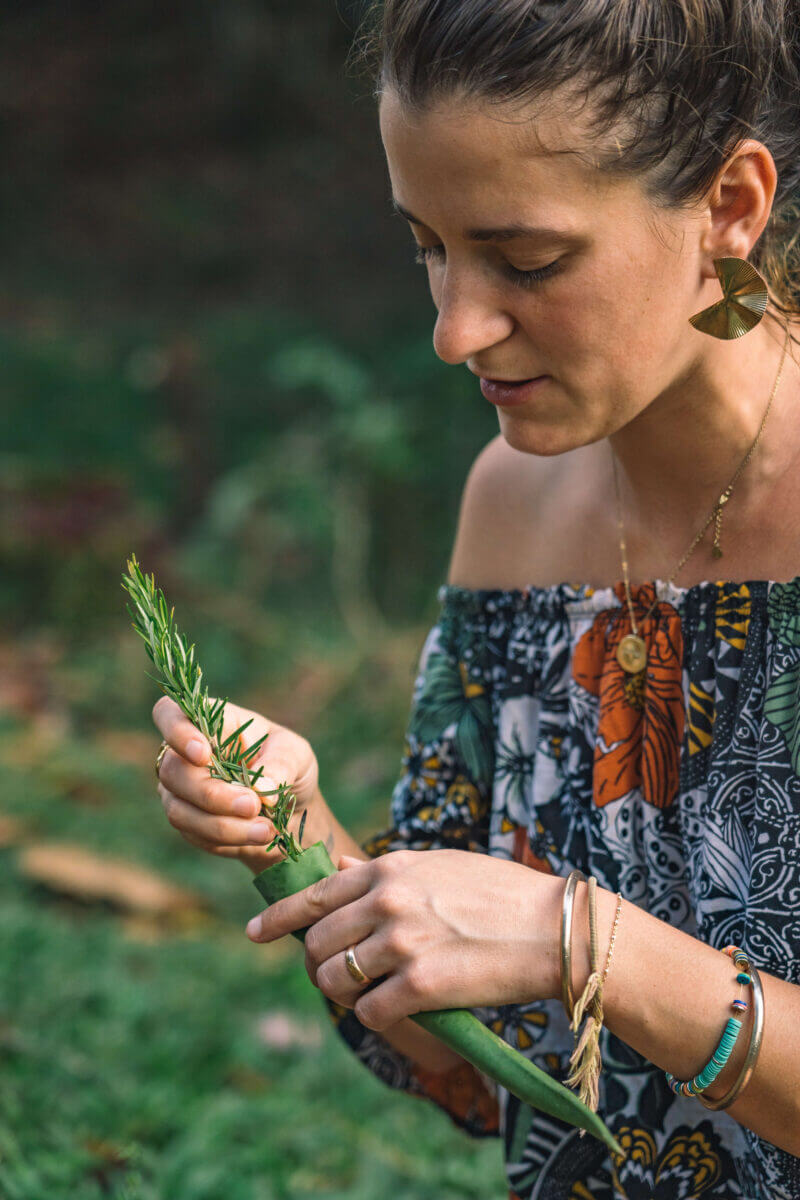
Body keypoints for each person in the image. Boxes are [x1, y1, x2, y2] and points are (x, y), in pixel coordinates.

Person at [152, 1, 800, 1196]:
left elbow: (548, 946)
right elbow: (481, 1076)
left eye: (527, 260)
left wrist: (583, 944)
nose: (455, 329)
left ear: (727, 208)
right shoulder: (512, 506)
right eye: (427, 247)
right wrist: (302, 843)